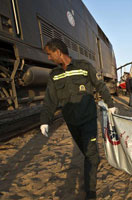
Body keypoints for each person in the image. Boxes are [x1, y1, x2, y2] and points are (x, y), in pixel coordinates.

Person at [39, 38, 117, 199]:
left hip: (88, 119)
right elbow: (50, 100)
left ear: (58, 52)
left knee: (91, 156)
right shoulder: (54, 75)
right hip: (72, 123)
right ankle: (92, 163)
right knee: (86, 153)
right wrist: (44, 121)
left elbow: (100, 85)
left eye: (49, 54)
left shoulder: (84, 67)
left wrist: (110, 104)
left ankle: (90, 193)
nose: (48, 58)